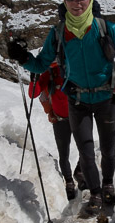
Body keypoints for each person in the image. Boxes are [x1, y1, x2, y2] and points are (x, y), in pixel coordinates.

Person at [8, 0, 115, 215]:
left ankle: (108, 184)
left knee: (108, 149)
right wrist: (23, 57)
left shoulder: (107, 28)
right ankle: (96, 194)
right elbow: (40, 66)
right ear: (64, 0)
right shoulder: (57, 33)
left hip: (106, 98)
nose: (77, 2)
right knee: (86, 151)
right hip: (76, 101)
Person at [27, 61, 84, 201]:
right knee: (64, 153)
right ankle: (69, 181)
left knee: (85, 149)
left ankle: (80, 172)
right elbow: (33, 94)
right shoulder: (48, 73)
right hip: (60, 119)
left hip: (77, 117)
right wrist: (33, 79)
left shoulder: (75, 67)